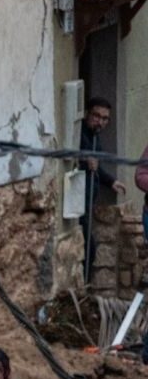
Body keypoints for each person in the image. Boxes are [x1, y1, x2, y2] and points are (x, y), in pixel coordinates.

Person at [79, 97, 127, 282]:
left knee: (91, 249)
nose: (100, 121)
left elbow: (96, 166)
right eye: (96, 116)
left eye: (105, 118)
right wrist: (83, 161)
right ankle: (83, 289)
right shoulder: (80, 135)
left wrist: (111, 181)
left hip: (88, 201)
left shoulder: (94, 136)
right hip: (78, 203)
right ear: (86, 114)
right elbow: (71, 158)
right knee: (89, 249)